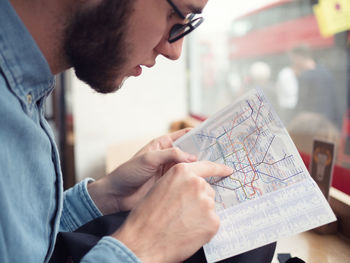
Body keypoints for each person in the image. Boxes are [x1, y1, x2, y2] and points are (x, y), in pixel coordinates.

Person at [0, 0, 276, 262]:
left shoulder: (25, 97)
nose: (174, 51)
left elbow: (26, 248)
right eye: (175, 17)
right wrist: (143, 247)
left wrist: (107, 196)